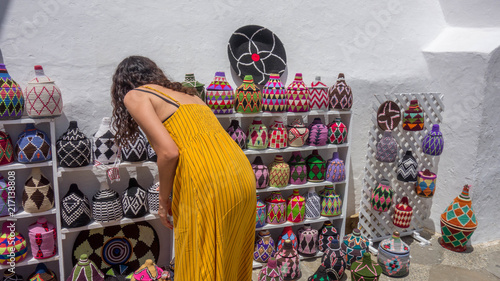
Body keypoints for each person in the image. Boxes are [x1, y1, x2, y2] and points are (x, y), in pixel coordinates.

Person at [110, 56, 256, 280]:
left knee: (200, 255)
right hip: (240, 171)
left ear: (123, 84)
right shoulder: (189, 94)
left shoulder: (135, 95)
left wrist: (163, 201)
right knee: (231, 251)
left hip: (206, 177)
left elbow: (168, 152)